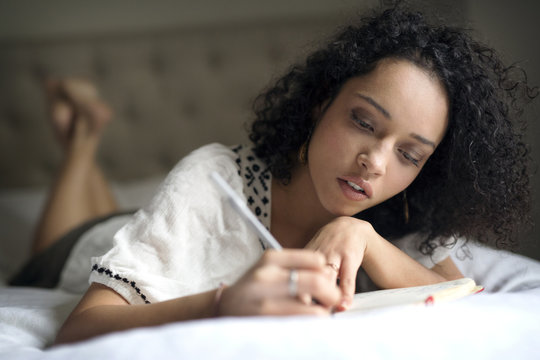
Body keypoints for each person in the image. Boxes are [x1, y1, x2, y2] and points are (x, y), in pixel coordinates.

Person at [11, 5, 535, 344]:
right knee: (84, 222)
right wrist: (223, 303)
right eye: (363, 122)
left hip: (146, 222)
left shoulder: (400, 210)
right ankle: (80, 142)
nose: (375, 162)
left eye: (410, 154)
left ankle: (85, 137)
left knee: (107, 204)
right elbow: (79, 329)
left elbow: (466, 299)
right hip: (83, 247)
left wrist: (363, 236)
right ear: (319, 104)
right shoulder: (213, 178)